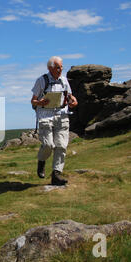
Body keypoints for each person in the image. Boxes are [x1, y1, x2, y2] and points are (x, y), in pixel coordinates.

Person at [31, 56, 78, 185]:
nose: (61, 69)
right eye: (58, 67)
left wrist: (73, 101)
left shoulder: (64, 81)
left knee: (61, 146)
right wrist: (40, 102)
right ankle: (41, 161)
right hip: (45, 115)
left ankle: (56, 175)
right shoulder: (41, 80)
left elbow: (69, 96)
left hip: (62, 115)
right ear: (50, 68)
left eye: (62, 67)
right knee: (48, 145)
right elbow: (33, 100)